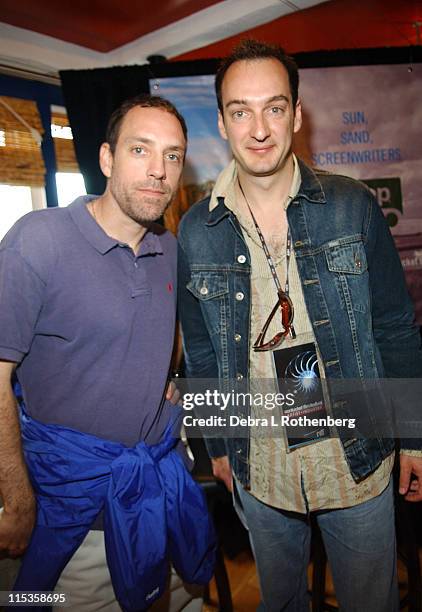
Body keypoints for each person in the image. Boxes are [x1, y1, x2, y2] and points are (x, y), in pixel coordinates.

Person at [178, 39, 422, 611]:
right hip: (258, 464)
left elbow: (395, 327)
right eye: (241, 111)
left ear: (297, 113)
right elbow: (203, 355)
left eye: (274, 107)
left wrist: (415, 438)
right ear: (221, 121)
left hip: (356, 455)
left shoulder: (353, 206)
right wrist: (217, 445)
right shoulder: (194, 231)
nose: (259, 128)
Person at [0, 94, 214, 611]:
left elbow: (169, 331)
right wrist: (17, 498)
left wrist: (169, 377)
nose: (158, 170)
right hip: (76, 515)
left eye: (171, 155)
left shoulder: (171, 250)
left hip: (158, 492)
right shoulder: (39, 241)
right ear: (106, 159)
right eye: (141, 149)